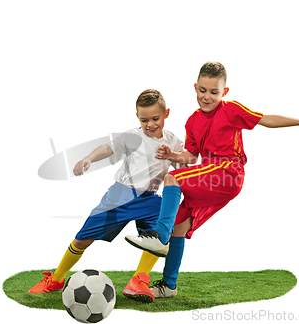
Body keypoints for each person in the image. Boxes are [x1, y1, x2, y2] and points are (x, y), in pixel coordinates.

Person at [126, 61, 299, 299]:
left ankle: (159, 235)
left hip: (227, 173)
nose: (206, 97)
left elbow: (266, 119)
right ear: (195, 88)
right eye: (202, 90)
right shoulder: (192, 121)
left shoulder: (231, 110)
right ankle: (169, 285)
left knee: (172, 178)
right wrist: (172, 155)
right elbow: (191, 156)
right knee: (179, 227)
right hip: (209, 178)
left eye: (213, 92)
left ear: (224, 92)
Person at [29, 89, 184, 303]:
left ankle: (139, 280)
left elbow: (184, 164)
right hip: (121, 195)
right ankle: (56, 278)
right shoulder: (133, 136)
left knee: (159, 237)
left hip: (151, 199)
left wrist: (174, 156)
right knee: (84, 238)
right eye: (144, 119)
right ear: (137, 117)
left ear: (166, 114)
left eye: (155, 118)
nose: (150, 124)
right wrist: (88, 158)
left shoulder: (174, 141)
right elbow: (109, 148)